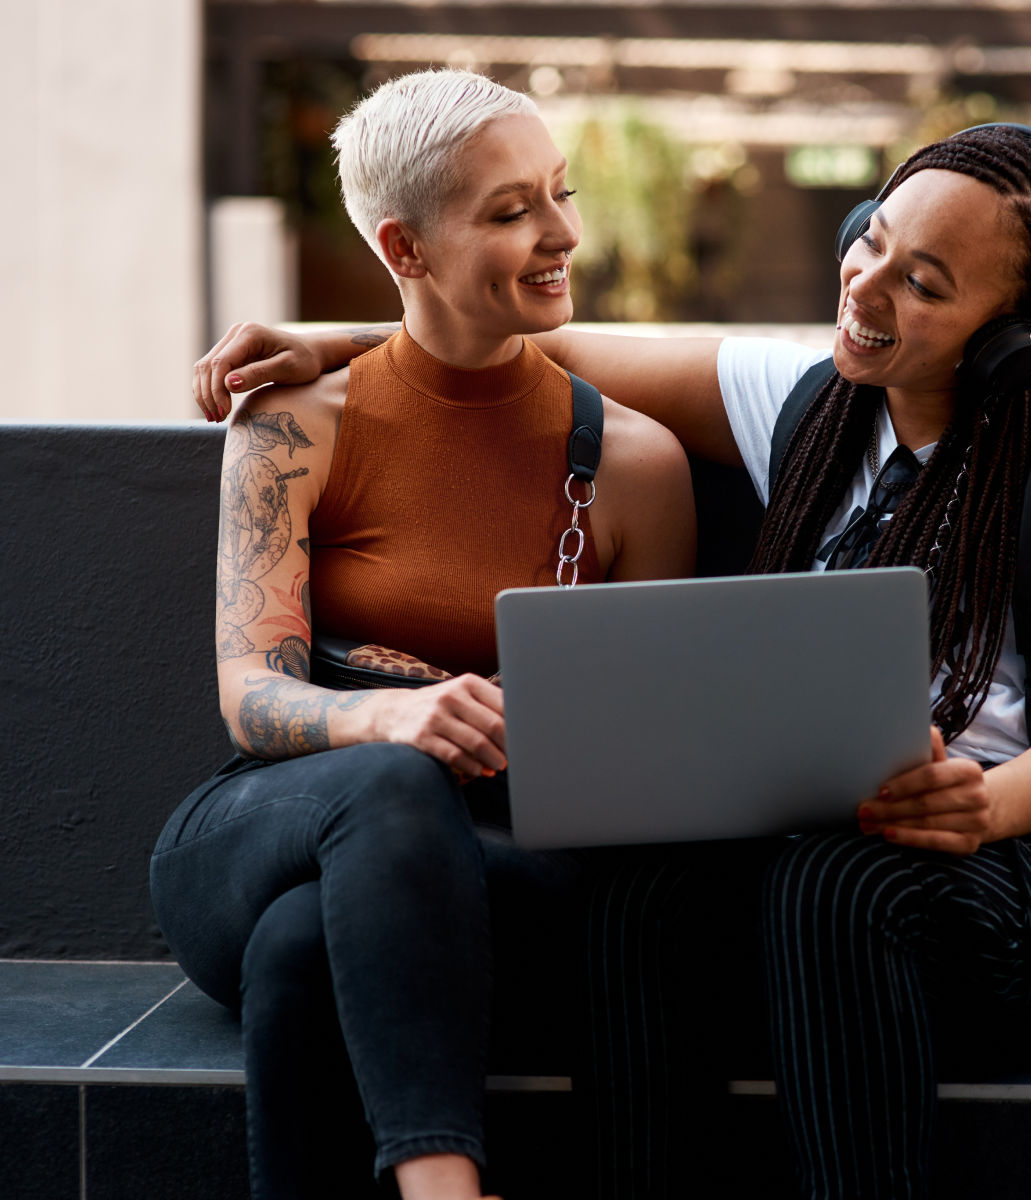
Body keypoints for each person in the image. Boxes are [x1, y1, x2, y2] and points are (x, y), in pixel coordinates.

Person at [197, 124, 1031, 1199]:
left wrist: (982, 807)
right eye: (874, 242)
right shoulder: (808, 401)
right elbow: (541, 344)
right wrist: (328, 341)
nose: (870, 286)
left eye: (926, 285)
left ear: (1010, 338)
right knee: (641, 894)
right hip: (844, 845)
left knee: (829, 885)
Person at [153, 69, 694, 1200]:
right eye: (510, 212)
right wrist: (393, 715)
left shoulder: (636, 463)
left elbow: (649, 761)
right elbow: (251, 692)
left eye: (560, 192)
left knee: (304, 952)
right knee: (388, 783)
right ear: (405, 248)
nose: (562, 233)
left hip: (496, 878)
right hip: (265, 832)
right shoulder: (294, 425)